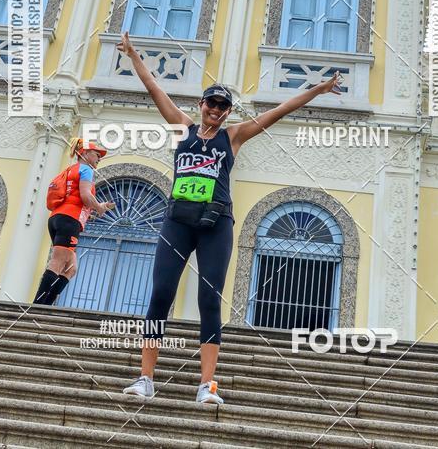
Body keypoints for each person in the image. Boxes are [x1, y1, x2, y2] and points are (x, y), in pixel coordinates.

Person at [119, 30, 342, 405]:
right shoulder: (183, 127)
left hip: (216, 224)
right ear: (202, 104)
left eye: (223, 106)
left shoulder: (234, 137)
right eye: (212, 103)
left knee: (209, 299)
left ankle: (207, 385)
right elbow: (154, 87)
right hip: (178, 220)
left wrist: (318, 90)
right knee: (160, 295)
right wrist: (133, 55)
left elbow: (280, 111)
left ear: (228, 112)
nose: (217, 110)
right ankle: (145, 378)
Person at [33, 137, 115, 306]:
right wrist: (99, 207)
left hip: (58, 218)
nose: (99, 158)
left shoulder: (71, 170)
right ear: (85, 153)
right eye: (97, 154)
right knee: (57, 262)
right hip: (69, 220)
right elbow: (85, 196)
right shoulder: (86, 170)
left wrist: (94, 210)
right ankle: (38, 306)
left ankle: (46, 303)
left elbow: (77, 199)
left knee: (71, 268)